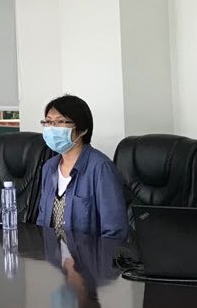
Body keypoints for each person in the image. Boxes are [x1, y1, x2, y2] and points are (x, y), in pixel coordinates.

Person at [34, 95, 128, 242]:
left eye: (60, 122)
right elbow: (42, 221)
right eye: (48, 122)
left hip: (89, 255)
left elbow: (114, 232)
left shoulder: (100, 168)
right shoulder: (49, 167)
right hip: (51, 254)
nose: (52, 128)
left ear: (83, 129)